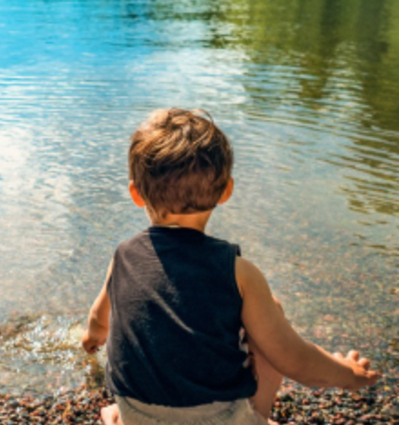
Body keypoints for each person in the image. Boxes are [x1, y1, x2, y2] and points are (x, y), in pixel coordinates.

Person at [81, 108, 380, 425]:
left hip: (137, 415)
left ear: (136, 194)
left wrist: (92, 339)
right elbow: (295, 360)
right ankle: (257, 418)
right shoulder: (239, 273)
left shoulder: (123, 257)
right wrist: (348, 374)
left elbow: (99, 320)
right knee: (270, 311)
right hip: (218, 420)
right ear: (226, 190)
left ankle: (122, 415)